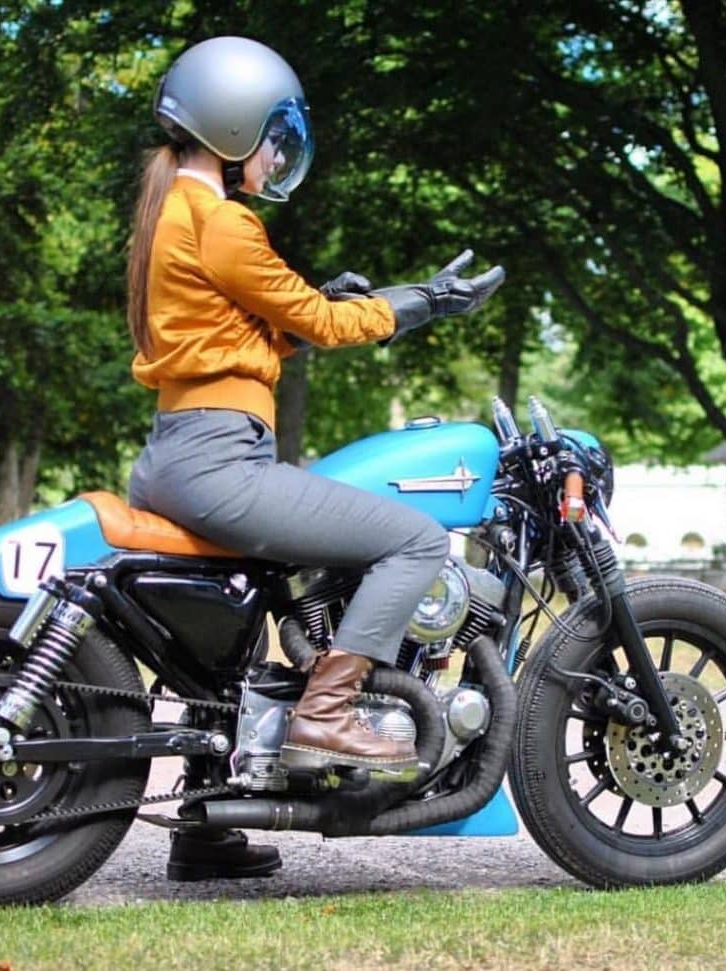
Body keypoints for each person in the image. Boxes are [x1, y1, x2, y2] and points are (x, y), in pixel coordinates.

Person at [126, 36, 505, 881]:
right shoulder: (221, 220)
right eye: (269, 135)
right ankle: (328, 710)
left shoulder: (177, 214)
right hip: (221, 460)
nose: (274, 154)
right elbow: (328, 328)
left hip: (180, 450)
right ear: (229, 126)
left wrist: (311, 309)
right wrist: (424, 302)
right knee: (415, 542)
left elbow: (250, 334)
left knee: (231, 629)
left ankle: (203, 829)